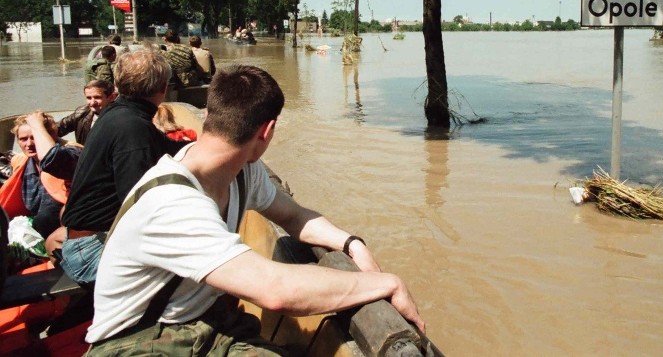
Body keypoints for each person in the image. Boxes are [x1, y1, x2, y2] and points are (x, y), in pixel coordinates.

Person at [85, 65, 424, 352]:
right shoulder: (172, 203)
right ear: (268, 130)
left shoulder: (242, 171)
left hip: (200, 322)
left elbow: (294, 215)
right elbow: (274, 291)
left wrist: (353, 243)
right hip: (138, 343)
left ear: (208, 114)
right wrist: (388, 283)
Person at [60, 49, 185, 285]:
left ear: (117, 85)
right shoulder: (133, 128)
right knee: (191, 273)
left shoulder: (117, 115)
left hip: (85, 242)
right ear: (163, 89)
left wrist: (203, 146)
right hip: (92, 251)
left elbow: (167, 145)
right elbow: (139, 206)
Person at [2, 112, 81, 255]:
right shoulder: (23, 164)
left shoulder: (72, 156)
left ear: (51, 135)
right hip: (37, 234)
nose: (29, 144)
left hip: (70, 236)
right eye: (23, 139)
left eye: (34, 137)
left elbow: (56, 159)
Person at [57, 79, 117, 146]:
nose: (92, 103)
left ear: (111, 97)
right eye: (89, 98)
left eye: (97, 97)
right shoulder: (81, 113)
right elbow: (56, 129)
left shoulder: (120, 118)